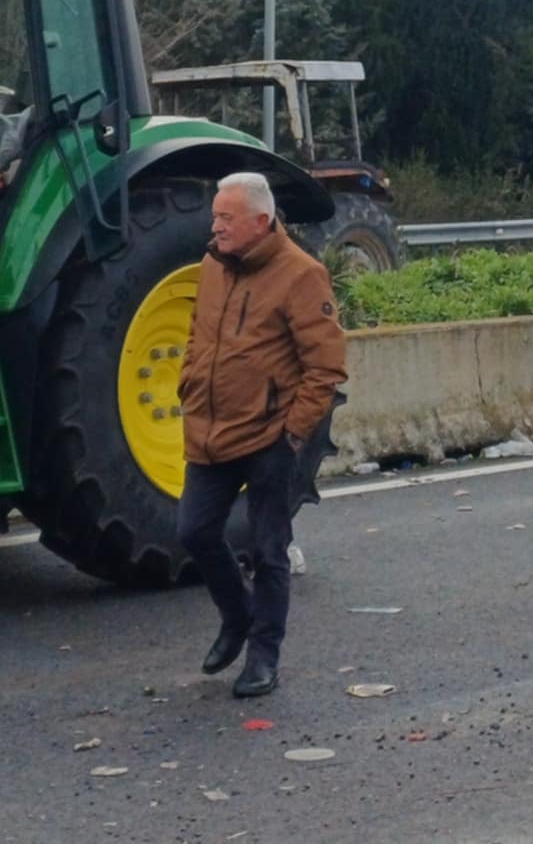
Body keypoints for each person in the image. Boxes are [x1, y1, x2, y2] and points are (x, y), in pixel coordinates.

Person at [176, 171, 348, 698]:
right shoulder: (212, 265)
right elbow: (197, 333)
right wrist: (189, 381)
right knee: (195, 532)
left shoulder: (302, 275)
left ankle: (263, 656)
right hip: (211, 431)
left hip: (270, 438)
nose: (216, 226)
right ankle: (237, 616)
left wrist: (291, 438)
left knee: (268, 549)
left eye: (226, 218)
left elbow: (325, 368)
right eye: (215, 216)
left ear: (260, 221)